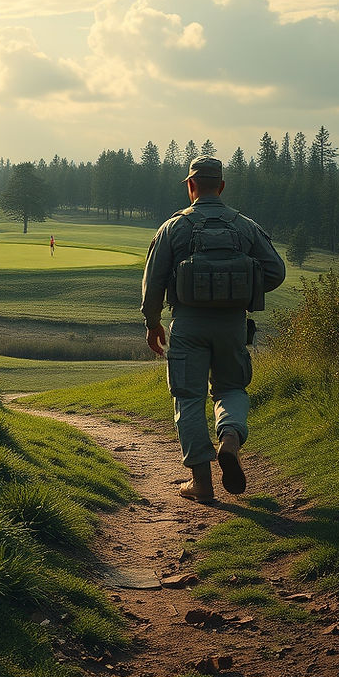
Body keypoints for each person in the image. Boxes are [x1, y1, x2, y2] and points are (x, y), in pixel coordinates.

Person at [141, 155, 286, 504]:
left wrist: (152, 322)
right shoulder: (244, 225)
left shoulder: (174, 227)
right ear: (221, 187)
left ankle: (201, 482)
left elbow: (154, 281)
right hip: (233, 323)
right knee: (231, 387)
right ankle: (231, 439)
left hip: (188, 323)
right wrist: (240, 288)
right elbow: (276, 272)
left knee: (189, 398)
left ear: (191, 187)